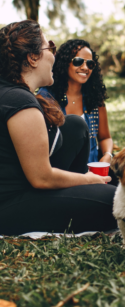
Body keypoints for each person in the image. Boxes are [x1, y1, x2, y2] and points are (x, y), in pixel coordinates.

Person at [0, 20, 117, 235]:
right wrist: (87, 180)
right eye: (50, 48)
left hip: (25, 184)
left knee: (74, 125)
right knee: (118, 201)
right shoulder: (20, 102)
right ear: (33, 57)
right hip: (11, 203)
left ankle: (82, 192)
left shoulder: (11, 92)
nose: (53, 55)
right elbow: (41, 178)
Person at [39, 39, 113, 166]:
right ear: (64, 63)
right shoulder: (46, 98)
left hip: (92, 171)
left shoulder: (94, 98)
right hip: (60, 173)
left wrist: (107, 155)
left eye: (90, 64)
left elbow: (105, 137)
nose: (85, 68)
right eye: (78, 61)